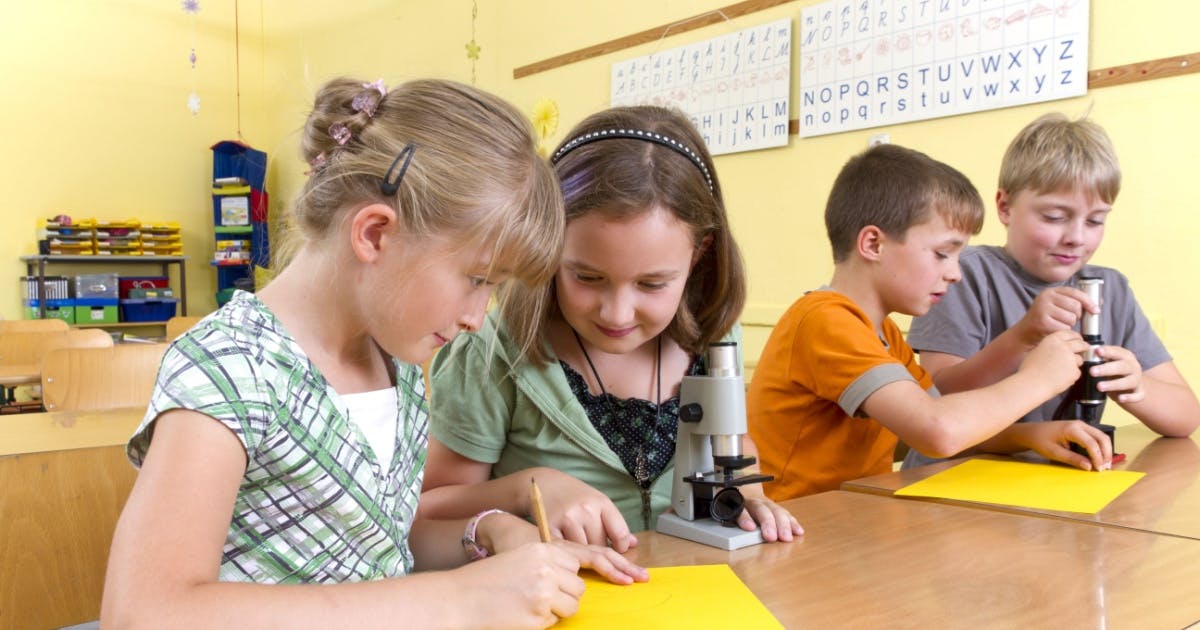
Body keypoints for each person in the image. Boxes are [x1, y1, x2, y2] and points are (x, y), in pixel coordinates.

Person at [101, 78, 645, 628]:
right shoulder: (230, 366)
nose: (476, 317)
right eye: (477, 279)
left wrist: (487, 535)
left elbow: (378, 547)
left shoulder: (397, 365)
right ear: (376, 235)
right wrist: (456, 600)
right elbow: (142, 612)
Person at [419, 106, 803, 551]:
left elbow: (732, 441)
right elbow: (430, 509)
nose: (617, 314)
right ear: (549, 246)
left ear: (699, 254)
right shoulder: (492, 352)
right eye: (586, 277)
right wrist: (532, 486)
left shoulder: (713, 331)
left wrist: (748, 492)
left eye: (652, 284)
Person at [746, 143, 1112, 501]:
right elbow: (938, 432)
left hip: (853, 522)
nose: (955, 274)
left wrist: (1031, 436)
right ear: (873, 244)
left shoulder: (882, 331)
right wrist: (1039, 379)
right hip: (798, 529)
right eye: (942, 254)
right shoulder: (824, 321)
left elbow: (951, 423)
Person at [904, 113, 1199, 468]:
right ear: (1005, 207)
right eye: (1055, 217)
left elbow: (1186, 417)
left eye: (1095, 221)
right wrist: (1023, 337)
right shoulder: (960, 273)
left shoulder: (1111, 289)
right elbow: (938, 399)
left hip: (1051, 490)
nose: (1076, 236)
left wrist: (1136, 388)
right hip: (953, 479)